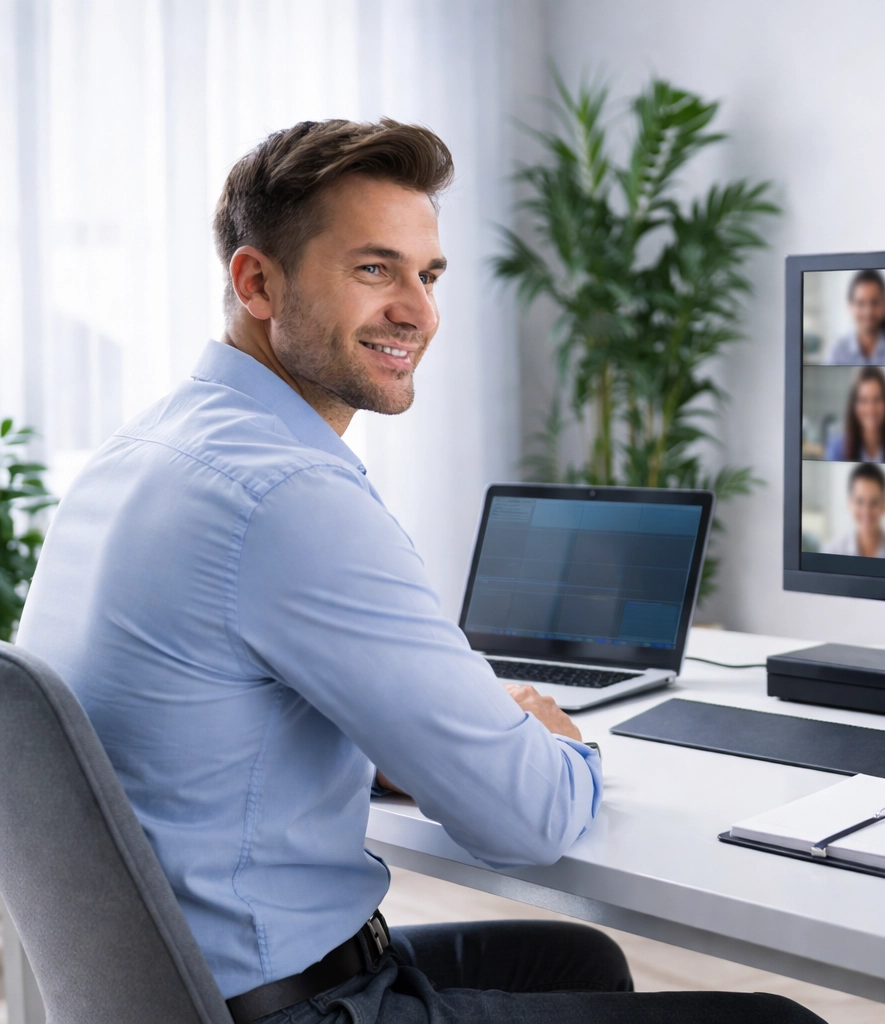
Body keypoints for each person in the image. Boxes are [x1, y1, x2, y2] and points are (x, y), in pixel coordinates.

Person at [17, 120, 821, 1024]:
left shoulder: (142, 449)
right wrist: (552, 744)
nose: (420, 312)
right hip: (291, 1009)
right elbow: (526, 822)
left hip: (167, 992)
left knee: (574, 956)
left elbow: (193, 733)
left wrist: (402, 748)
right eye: (375, 269)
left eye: (428, 276)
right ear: (257, 283)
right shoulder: (289, 493)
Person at [824, 366, 885, 463]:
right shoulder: (837, 448)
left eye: (877, 399)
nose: (870, 409)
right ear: (853, 405)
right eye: (863, 400)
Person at [822, 462, 885, 559]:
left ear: (884, 505)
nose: (866, 511)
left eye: (874, 502)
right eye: (860, 501)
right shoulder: (831, 552)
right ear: (850, 502)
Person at [825, 269, 885, 365]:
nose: (868, 312)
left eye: (875, 302)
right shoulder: (837, 351)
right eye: (860, 303)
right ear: (850, 307)